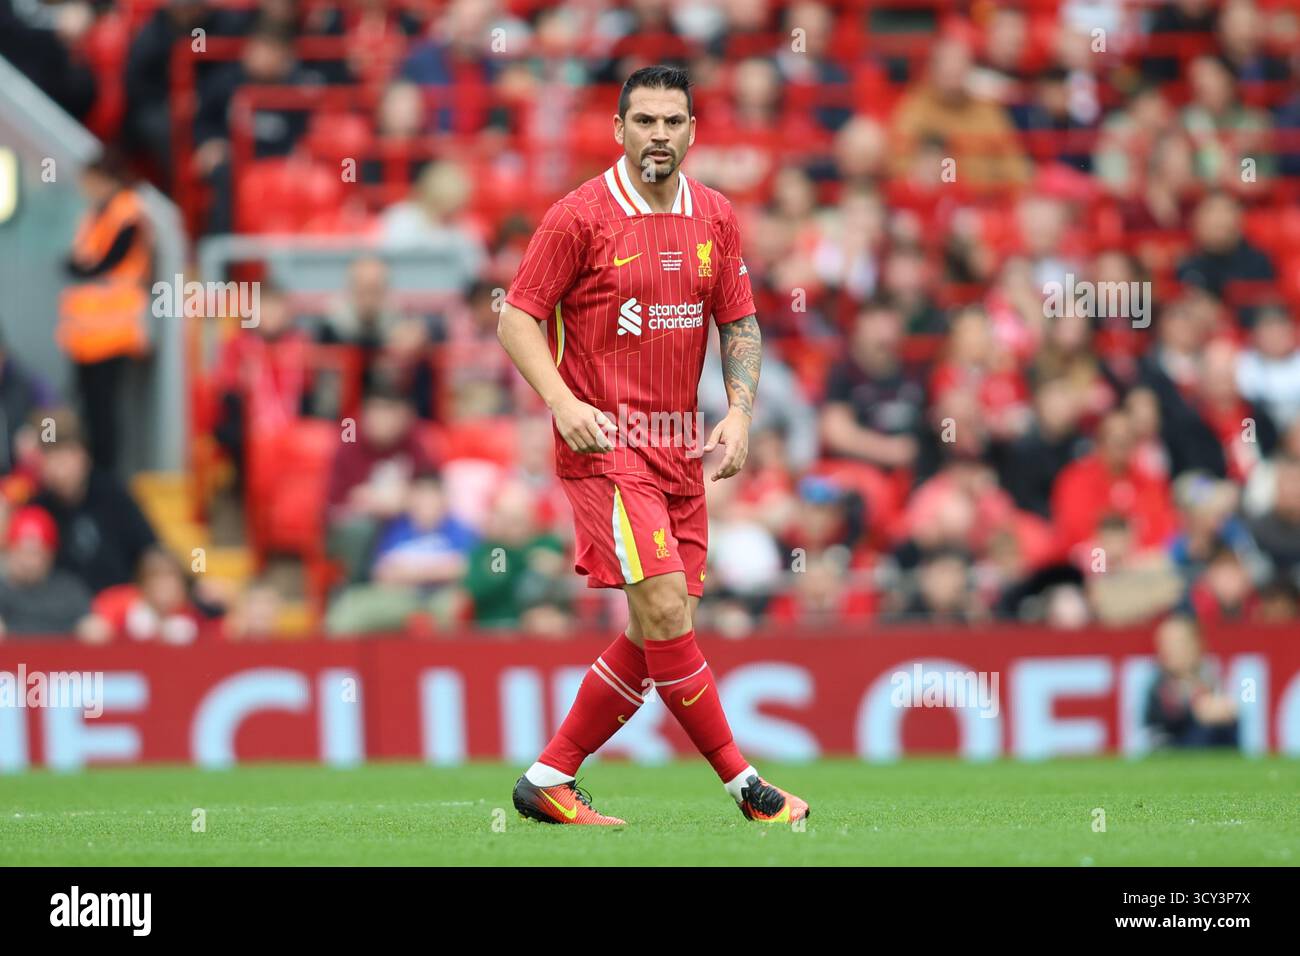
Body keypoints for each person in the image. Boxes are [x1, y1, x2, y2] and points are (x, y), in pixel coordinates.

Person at [496, 66, 809, 826]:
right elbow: (516, 316)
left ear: (693, 131)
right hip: (607, 446)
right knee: (667, 611)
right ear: (619, 130)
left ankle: (548, 778)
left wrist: (737, 414)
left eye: (673, 121)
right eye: (645, 121)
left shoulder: (717, 217)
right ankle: (748, 789)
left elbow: (740, 323)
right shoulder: (579, 217)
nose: (659, 135)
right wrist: (563, 402)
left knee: (654, 629)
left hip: (679, 450)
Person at [57, 152, 153, 472]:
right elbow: (74, 262)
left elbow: (101, 263)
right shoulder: (94, 214)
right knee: (87, 410)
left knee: (104, 412)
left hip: (113, 334)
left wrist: (83, 268)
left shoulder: (127, 212)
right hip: (84, 337)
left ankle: (106, 476)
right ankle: (90, 471)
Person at [0, 505, 95, 640]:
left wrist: (91, 628)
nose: (28, 562)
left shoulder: (69, 591)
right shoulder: (2, 591)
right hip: (14, 661)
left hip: (65, 659)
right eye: (22, 552)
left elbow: (93, 626)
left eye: (36, 554)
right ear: (10, 551)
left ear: (50, 556)